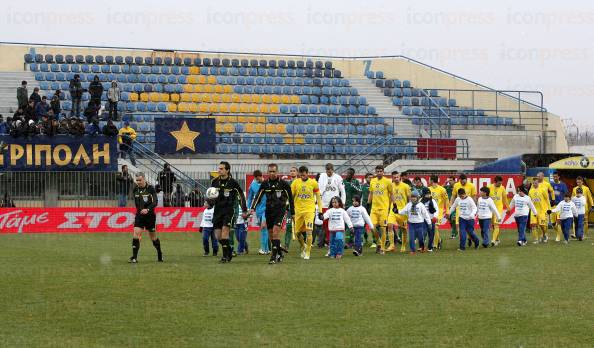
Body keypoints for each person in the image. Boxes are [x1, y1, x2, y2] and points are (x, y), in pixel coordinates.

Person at [250, 163, 294, 264]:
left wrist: (293, 212)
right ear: (267, 172)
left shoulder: (284, 184)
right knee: (271, 235)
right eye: (270, 171)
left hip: (280, 211)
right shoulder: (265, 184)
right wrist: (252, 208)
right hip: (269, 211)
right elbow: (258, 196)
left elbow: (291, 199)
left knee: (275, 232)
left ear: (277, 172)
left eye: (274, 171)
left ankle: (273, 257)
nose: (272, 173)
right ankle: (279, 252)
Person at [211, 161, 248, 263]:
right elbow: (211, 195)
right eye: (219, 168)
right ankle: (229, 253)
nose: (219, 170)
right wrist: (209, 203)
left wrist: (244, 210)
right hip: (217, 211)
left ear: (227, 170)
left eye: (222, 169)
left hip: (229, 211)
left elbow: (241, 196)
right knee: (218, 236)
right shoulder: (214, 181)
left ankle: (225, 256)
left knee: (225, 233)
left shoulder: (233, 182)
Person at [290, 165, 323, 260]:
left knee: (309, 232)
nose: (302, 177)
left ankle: (308, 252)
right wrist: (289, 206)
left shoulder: (313, 183)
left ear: (307, 173)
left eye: (304, 175)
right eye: (301, 175)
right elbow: (291, 197)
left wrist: (320, 211)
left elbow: (318, 197)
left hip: (309, 210)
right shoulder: (295, 183)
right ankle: (303, 246)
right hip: (298, 211)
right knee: (297, 233)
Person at [129, 172, 163, 263]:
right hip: (140, 216)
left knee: (153, 238)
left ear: (144, 178)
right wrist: (139, 211)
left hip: (150, 217)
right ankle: (135, 258)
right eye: (137, 180)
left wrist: (147, 209)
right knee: (136, 234)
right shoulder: (135, 189)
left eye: (140, 180)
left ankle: (159, 253)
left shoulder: (150, 189)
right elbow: (136, 202)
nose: (138, 182)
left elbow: (155, 202)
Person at [318, 163, 346, 248]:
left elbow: (343, 191)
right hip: (324, 204)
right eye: (327, 171)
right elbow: (319, 190)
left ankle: (337, 241)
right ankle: (329, 241)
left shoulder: (338, 178)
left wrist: (343, 202)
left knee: (336, 223)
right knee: (325, 224)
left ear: (333, 170)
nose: (328, 172)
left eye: (330, 171)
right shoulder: (322, 176)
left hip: (335, 204)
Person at [367, 165, 394, 255]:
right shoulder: (372, 181)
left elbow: (392, 194)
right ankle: (379, 242)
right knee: (372, 227)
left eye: (380, 171)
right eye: (377, 171)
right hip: (374, 209)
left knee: (383, 229)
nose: (379, 173)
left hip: (383, 209)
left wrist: (393, 205)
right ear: (375, 172)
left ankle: (382, 247)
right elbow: (371, 193)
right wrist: (368, 203)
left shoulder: (387, 181)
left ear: (383, 172)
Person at [386, 171, 410, 252]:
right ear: (392, 178)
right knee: (389, 225)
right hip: (393, 210)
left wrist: (408, 209)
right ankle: (392, 245)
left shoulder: (406, 186)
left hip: (403, 211)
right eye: (394, 177)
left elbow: (409, 199)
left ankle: (403, 246)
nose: (396, 179)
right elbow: (389, 198)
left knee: (404, 229)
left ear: (400, 177)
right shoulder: (390, 186)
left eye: (397, 177)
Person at [247, 170, 270, 255]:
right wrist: (248, 208)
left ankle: (264, 249)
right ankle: (267, 249)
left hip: (267, 209)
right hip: (258, 210)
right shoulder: (253, 185)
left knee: (263, 227)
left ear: (261, 176)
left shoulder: (267, 184)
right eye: (256, 178)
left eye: (258, 178)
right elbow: (250, 197)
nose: (257, 180)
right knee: (265, 230)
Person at [429, 175, 449, 250]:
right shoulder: (428, 189)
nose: (428, 181)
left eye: (429, 179)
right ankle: (439, 240)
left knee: (436, 226)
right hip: (431, 211)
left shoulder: (442, 189)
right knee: (432, 228)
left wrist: (447, 211)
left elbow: (446, 200)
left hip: (439, 211)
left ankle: (435, 244)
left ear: (432, 180)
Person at [488, 176, 509, 246]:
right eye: (499, 183)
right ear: (495, 182)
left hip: (499, 209)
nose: (500, 185)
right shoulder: (489, 187)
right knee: (493, 226)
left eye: (501, 183)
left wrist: (508, 208)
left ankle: (493, 241)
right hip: (490, 209)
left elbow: (505, 199)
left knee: (496, 225)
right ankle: (497, 239)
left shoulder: (502, 188)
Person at [342, 167, 361, 248]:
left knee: (351, 225)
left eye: (350, 173)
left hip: (352, 206)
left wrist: (353, 185)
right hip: (344, 206)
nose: (348, 174)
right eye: (347, 173)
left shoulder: (356, 182)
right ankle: (347, 242)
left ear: (353, 175)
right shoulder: (343, 181)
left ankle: (349, 242)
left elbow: (360, 192)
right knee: (345, 225)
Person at [528, 178, 550, 244]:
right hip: (533, 211)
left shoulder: (543, 190)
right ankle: (536, 239)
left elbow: (547, 199)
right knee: (533, 225)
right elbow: (529, 201)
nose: (535, 184)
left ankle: (544, 235)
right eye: (533, 183)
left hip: (542, 211)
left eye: (536, 183)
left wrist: (549, 208)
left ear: (538, 183)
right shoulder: (530, 191)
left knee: (542, 225)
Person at [550, 172, 569, 242]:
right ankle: (558, 232)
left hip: (560, 205)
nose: (555, 178)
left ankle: (558, 236)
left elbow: (566, 194)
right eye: (553, 177)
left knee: (558, 221)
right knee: (553, 224)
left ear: (559, 177)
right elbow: (547, 192)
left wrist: (566, 202)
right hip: (552, 206)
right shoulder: (551, 184)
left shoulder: (563, 185)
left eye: (556, 177)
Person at [284, 166, 299, 248]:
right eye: (291, 171)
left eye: (294, 171)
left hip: (299, 208)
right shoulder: (287, 183)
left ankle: (304, 244)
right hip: (290, 208)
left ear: (297, 173)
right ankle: (286, 245)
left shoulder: (300, 182)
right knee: (289, 226)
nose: (292, 172)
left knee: (301, 228)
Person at [420, 187, 439, 252]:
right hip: (423, 220)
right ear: (423, 194)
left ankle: (430, 247)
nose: (428, 195)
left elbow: (436, 210)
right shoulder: (420, 201)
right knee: (424, 233)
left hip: (431, 220)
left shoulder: (433, 201)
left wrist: (435, 217)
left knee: (431, 234)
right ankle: (421, 246)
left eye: (429, 194)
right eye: (426, 194)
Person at [361, 172, 373, 245]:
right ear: (366, 178)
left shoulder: (375, 186)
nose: (371, 179)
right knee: (363, 224)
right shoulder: (362, 186)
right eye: (369, 177)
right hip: (364, 207)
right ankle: (364, 239)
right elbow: (359, 197)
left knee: (373, 224)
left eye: (372, 177)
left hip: (373, 208)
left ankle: (375, 241)